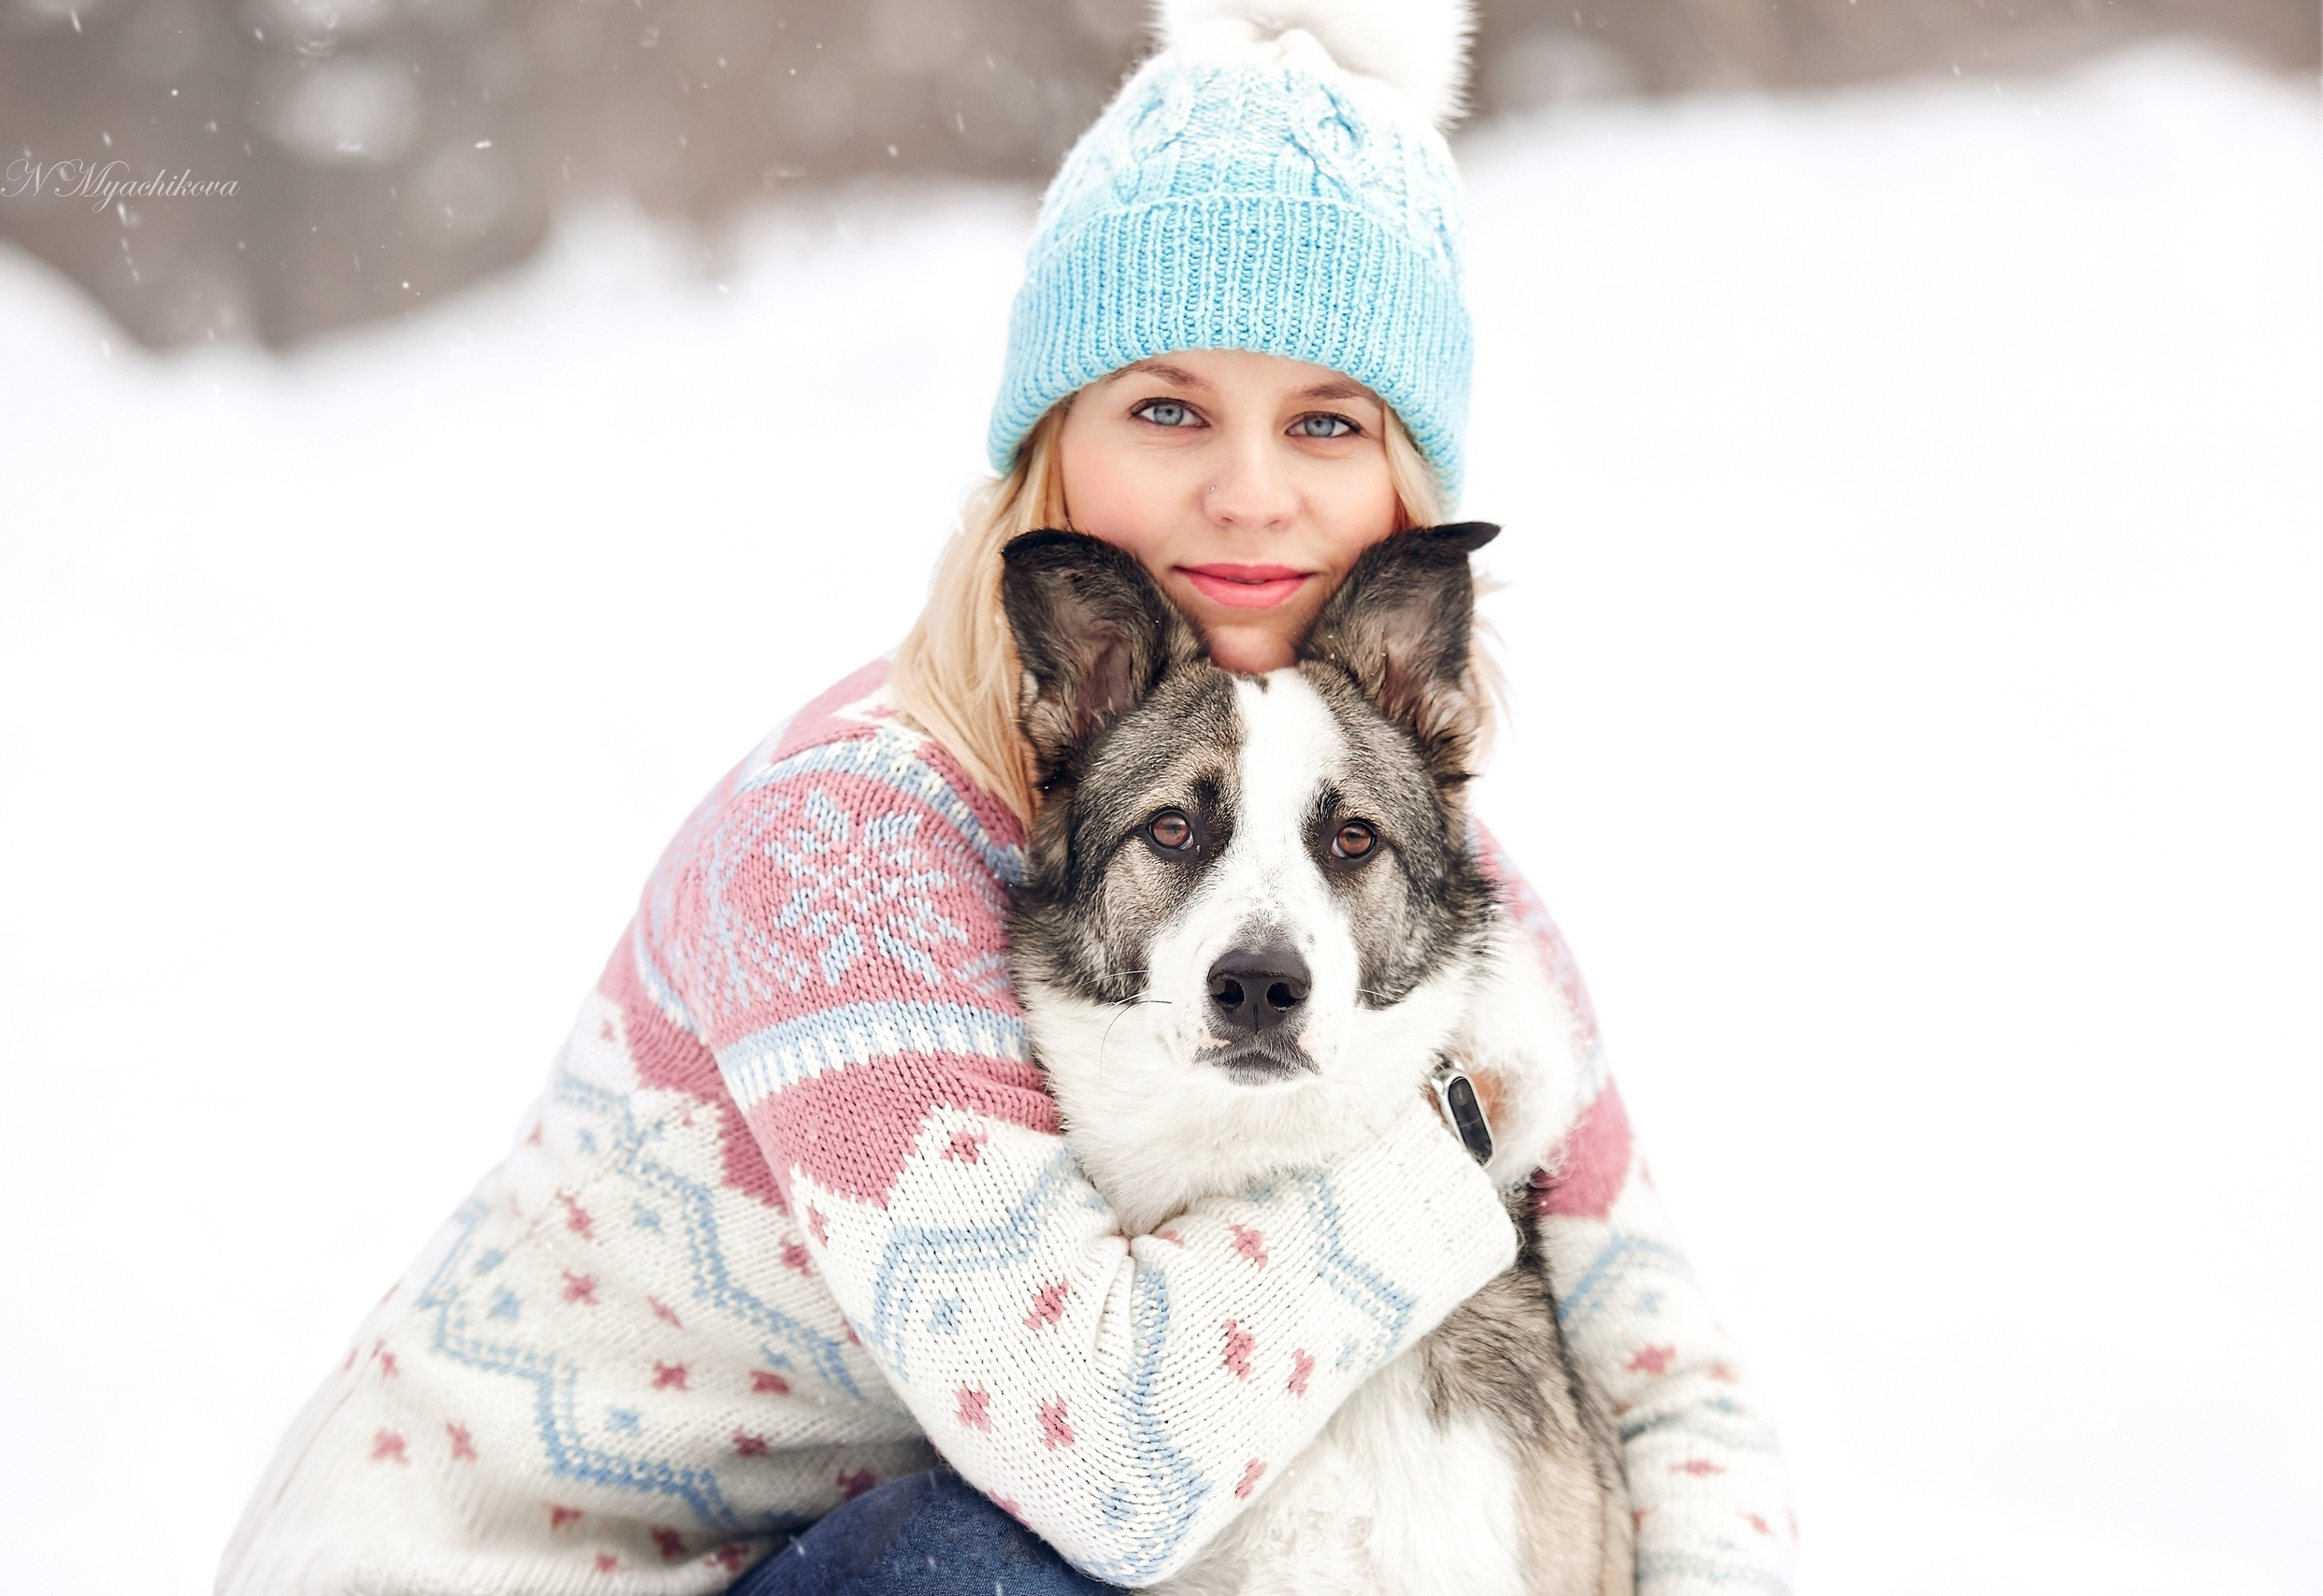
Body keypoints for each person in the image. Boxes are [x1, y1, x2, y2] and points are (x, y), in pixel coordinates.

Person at [218, 3, 1795, 1592]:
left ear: (1408, 500)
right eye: (1168, 409)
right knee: (993, 1561)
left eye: (1326, 421)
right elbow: (1110, 1459)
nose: (1250, 490)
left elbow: (1674, 1387)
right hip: (502, 1570)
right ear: (1056, 447)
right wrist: (1453, 1147)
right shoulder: (843, 844)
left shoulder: (1430, 886)